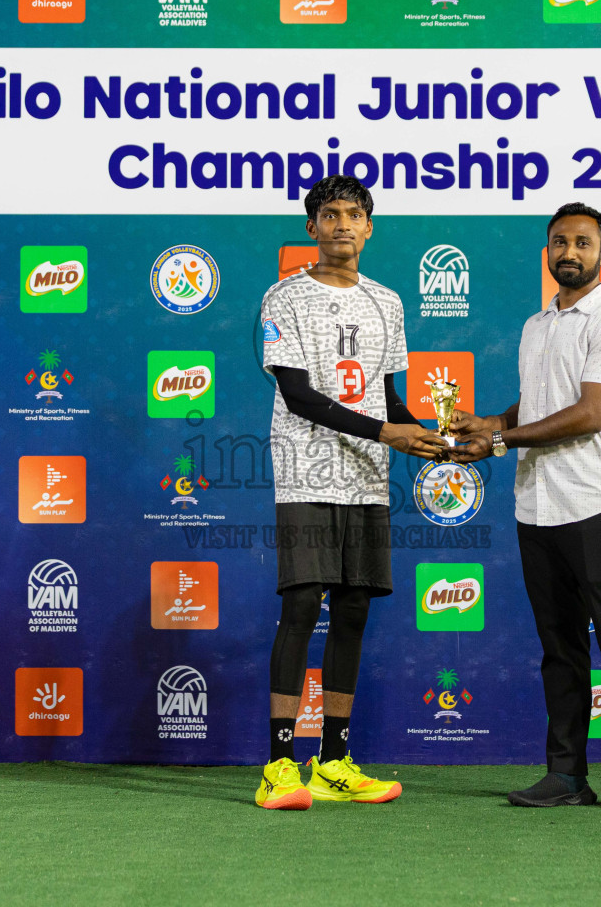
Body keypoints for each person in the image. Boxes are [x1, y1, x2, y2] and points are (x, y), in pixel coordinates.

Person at [450, 202, 601, 816]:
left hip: (596, 504)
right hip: (537, 507)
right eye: (560, 242)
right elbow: (540, 402)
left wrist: (499, 441)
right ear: (547, 252)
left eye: (582, 242)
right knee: (560, 650)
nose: (569, 252)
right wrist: (491, 421)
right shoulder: (536, 325)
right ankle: (566, 773)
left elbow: (591, 412)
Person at [254, 175, 448, 810]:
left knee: (354, 609)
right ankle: (279, 766)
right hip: (305, 470)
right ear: (311, 227)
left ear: (369, 227)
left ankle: (333, 763)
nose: (342, 223)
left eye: (354, 213)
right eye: (330, 213)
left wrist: (428, 436)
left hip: (366, 474)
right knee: (302, 606)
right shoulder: (284, 296)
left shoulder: (387, 302)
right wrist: (388, 431)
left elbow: (386, 398)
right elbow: (297, 395)